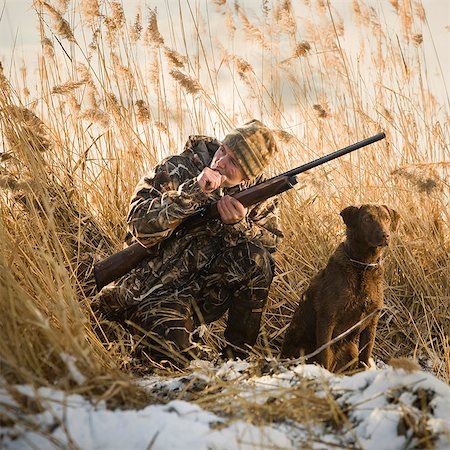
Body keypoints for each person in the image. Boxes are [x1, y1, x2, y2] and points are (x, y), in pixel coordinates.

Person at [94, 119, 283, 363]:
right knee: (174, 355)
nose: (221, 161)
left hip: (197, 296)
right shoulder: (177, 168)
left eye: (234, 162)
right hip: (148, 291)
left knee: (257, 260)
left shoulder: (260, 193)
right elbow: (138, 222)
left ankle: (237, 360)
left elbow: (271, 245)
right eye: (223, 149)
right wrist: (192, 193)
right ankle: (131, 325)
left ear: (248, 177)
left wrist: (240, 226)